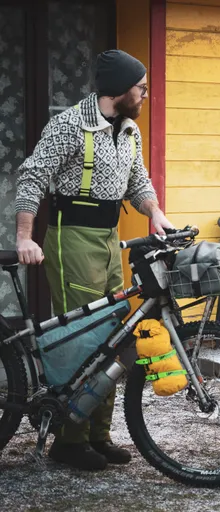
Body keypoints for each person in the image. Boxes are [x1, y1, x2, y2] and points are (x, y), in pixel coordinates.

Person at [14, 49, 174, 471]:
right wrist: (25, 237)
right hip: (72, 239)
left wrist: (155, 213)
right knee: (84, 338)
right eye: (141, 87)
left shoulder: (128, 130)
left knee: (115, 336)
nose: (144, 95)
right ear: (121, 89)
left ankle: (97, 435)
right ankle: (68, 440)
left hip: (109, 238)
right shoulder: (69, 125)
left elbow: (137, 179)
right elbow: (33, 175)